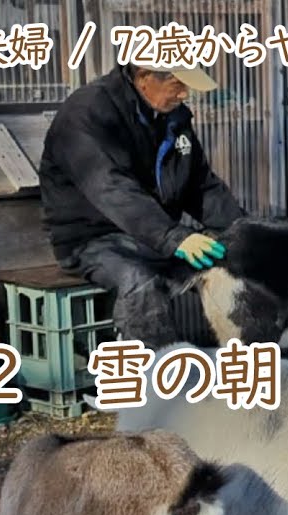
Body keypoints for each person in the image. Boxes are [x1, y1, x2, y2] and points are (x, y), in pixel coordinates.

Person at [37, 61, 246, 348]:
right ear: (144, 77)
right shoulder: (87, 112)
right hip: (91, 240)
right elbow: (110, 188)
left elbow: (200, 185)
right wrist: (173, 237)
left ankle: (247, 354)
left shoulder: (172, 118)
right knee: (139, 279)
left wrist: (244, 232)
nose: (184, 95)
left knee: (230, 260)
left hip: (150, 234)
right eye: (177, 84)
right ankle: (156, 377)